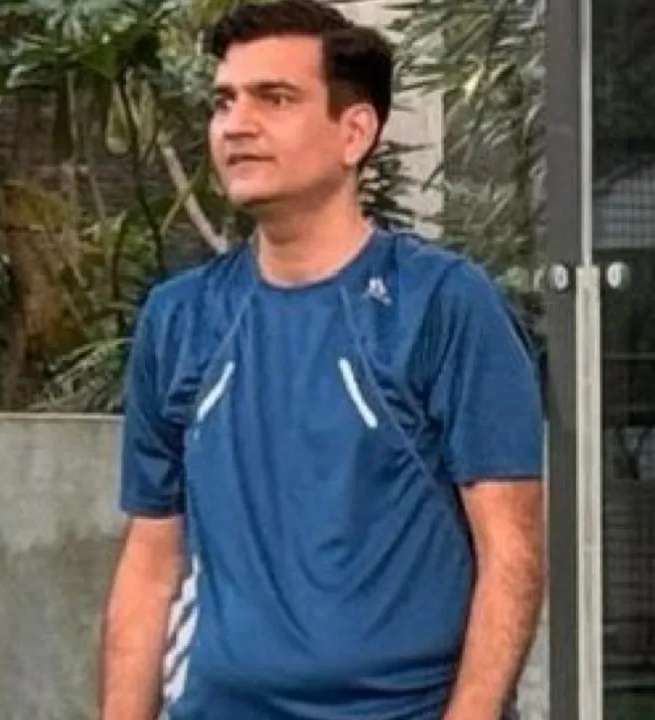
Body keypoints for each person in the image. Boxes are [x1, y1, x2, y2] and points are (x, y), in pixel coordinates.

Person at [99, 0, 545, 718]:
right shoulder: (179, 318)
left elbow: (511, 552)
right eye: (224, 101)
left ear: (355, 131)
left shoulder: (441, 304)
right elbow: (151, 562)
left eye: (274, 98)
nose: (236, 124)